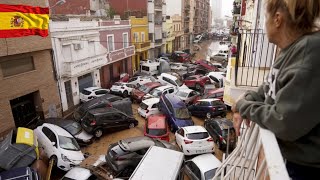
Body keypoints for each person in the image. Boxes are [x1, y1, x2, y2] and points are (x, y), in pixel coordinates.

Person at [232, 0, 320, 179]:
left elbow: (284, 121)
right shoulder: (290, 50)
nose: (264, 23)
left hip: (306, 170)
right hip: (292, 161)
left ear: (277, 19)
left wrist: (244, 107)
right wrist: (247, 99)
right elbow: (267, 89)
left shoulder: (308, 52)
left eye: (265, 17)